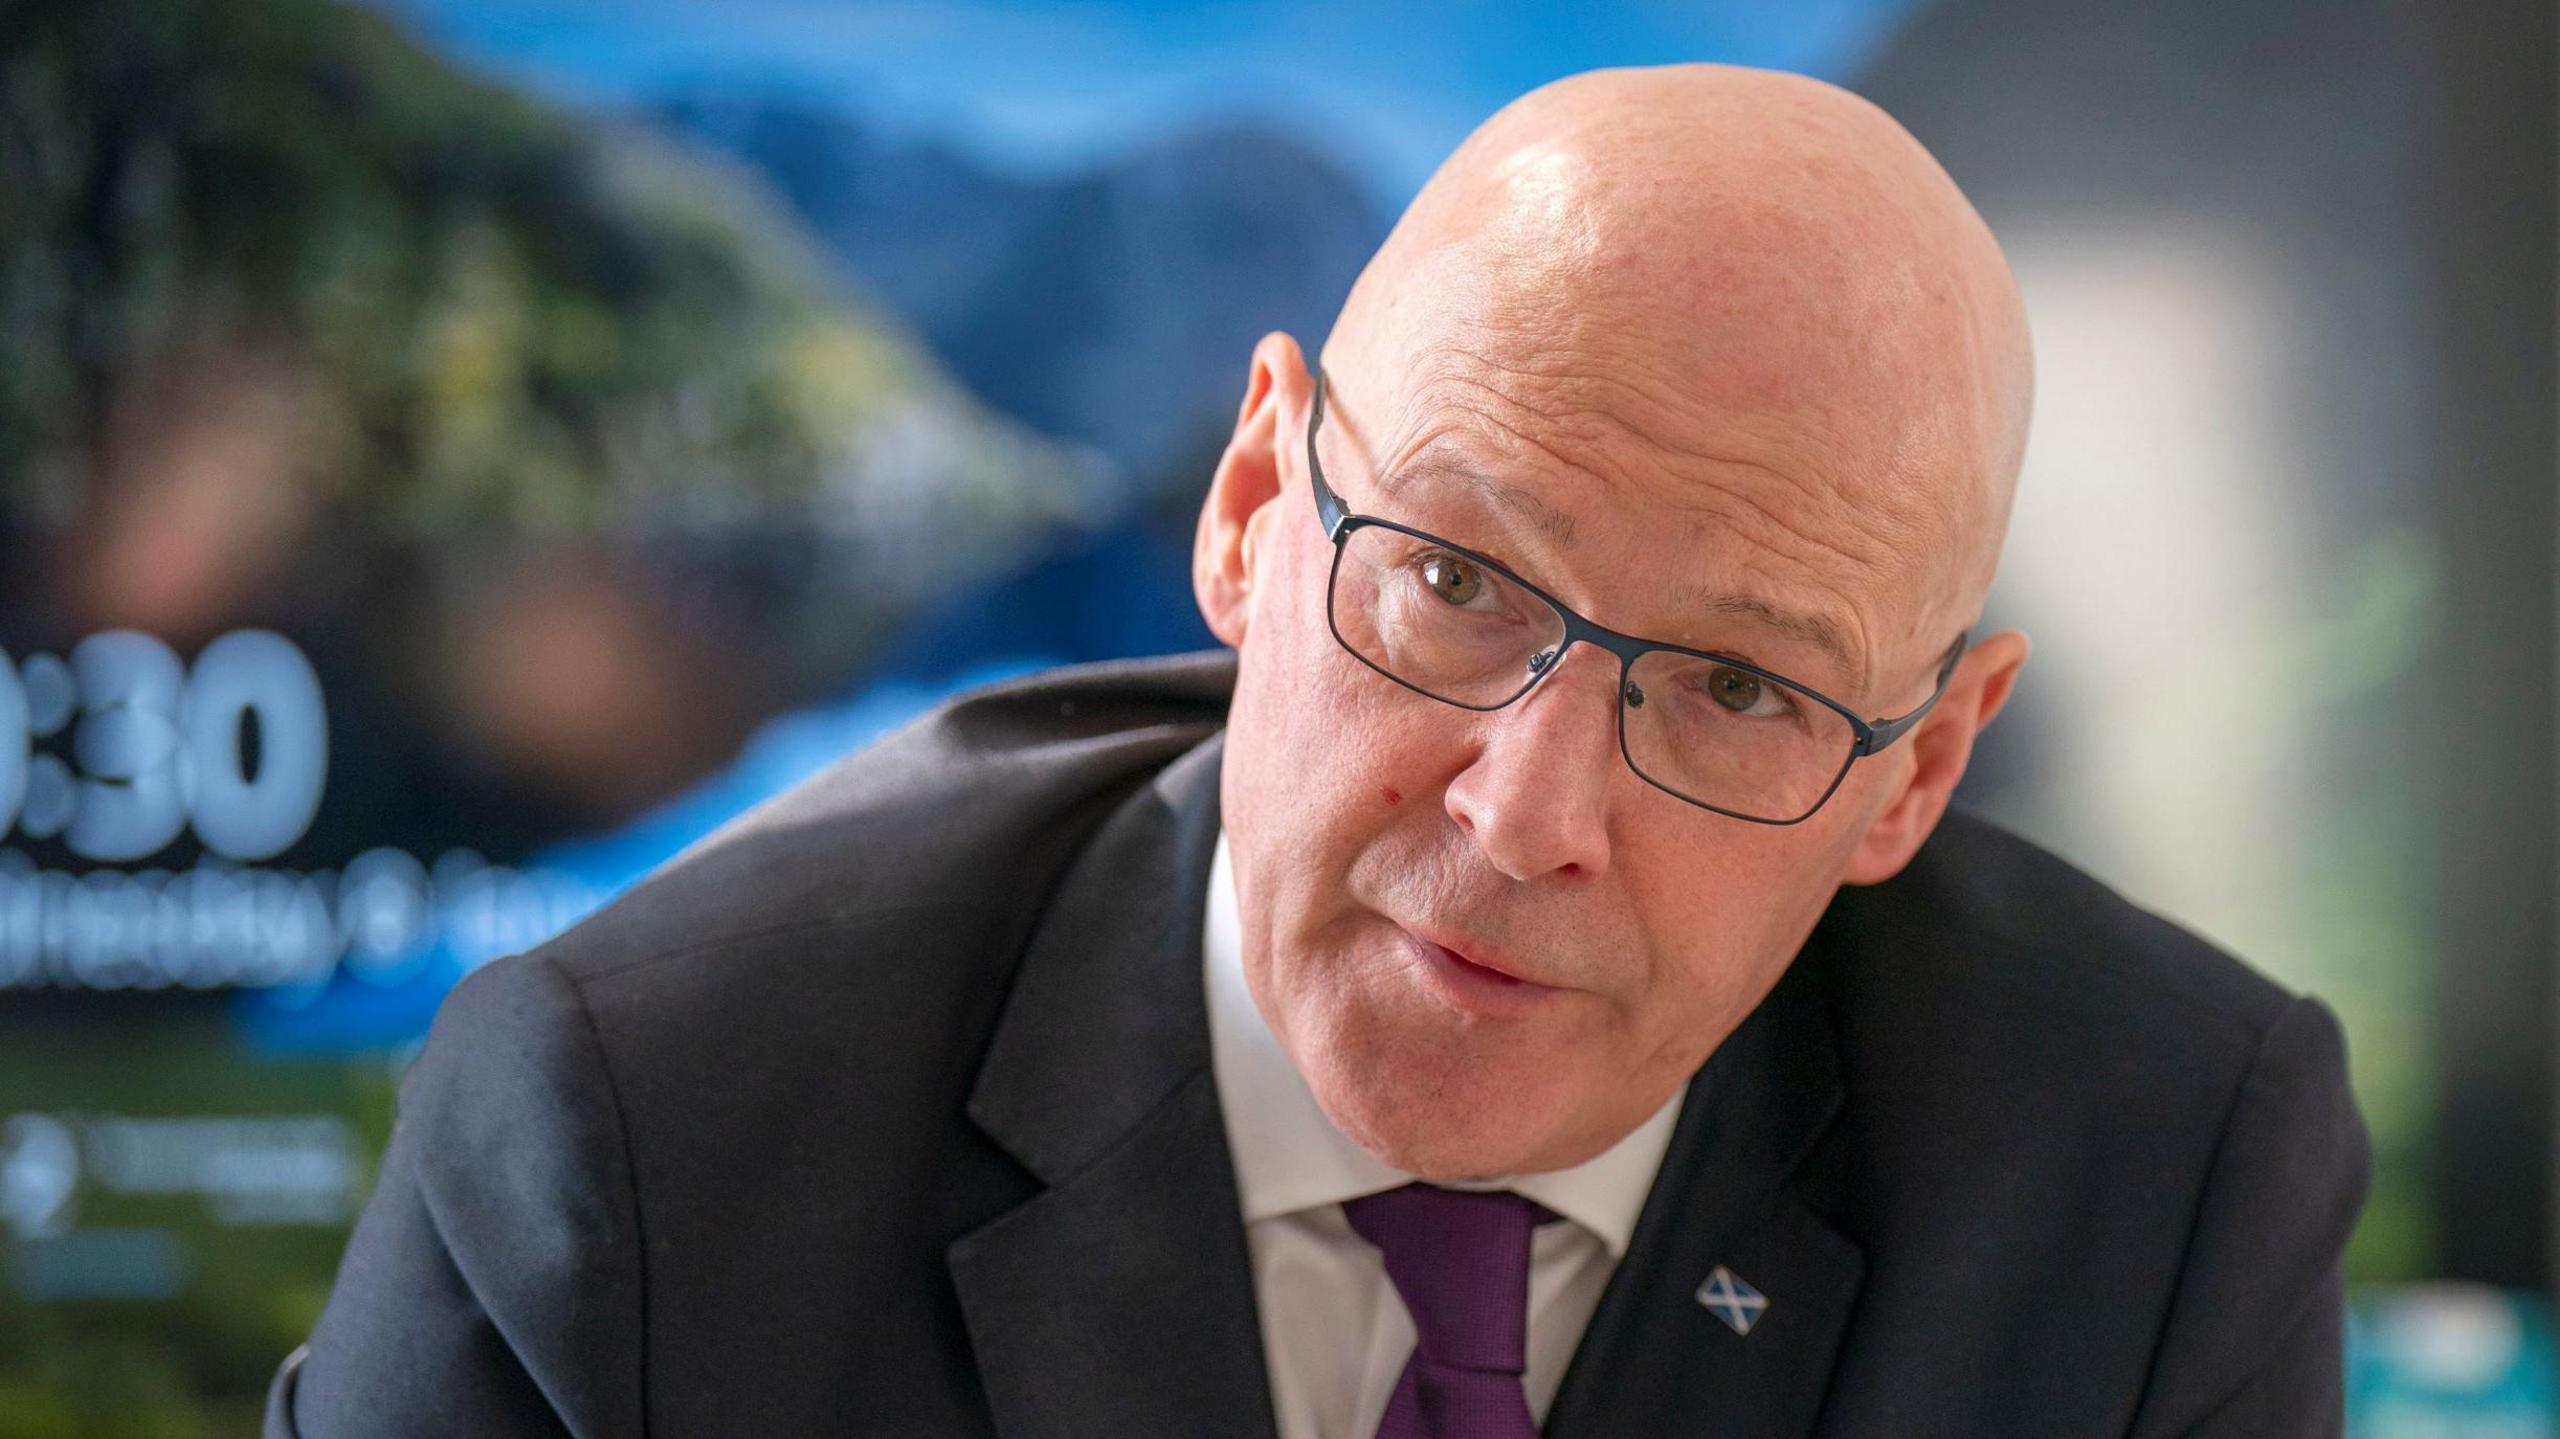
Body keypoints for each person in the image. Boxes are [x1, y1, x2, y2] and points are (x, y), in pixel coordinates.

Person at [265, 63, 2370, 1438]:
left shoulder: (2157, 1170)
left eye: (1741, 688)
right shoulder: (635, 1142)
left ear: (1916, 772)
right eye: (1456, 579)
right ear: (1257, 508)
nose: (1526, 813)